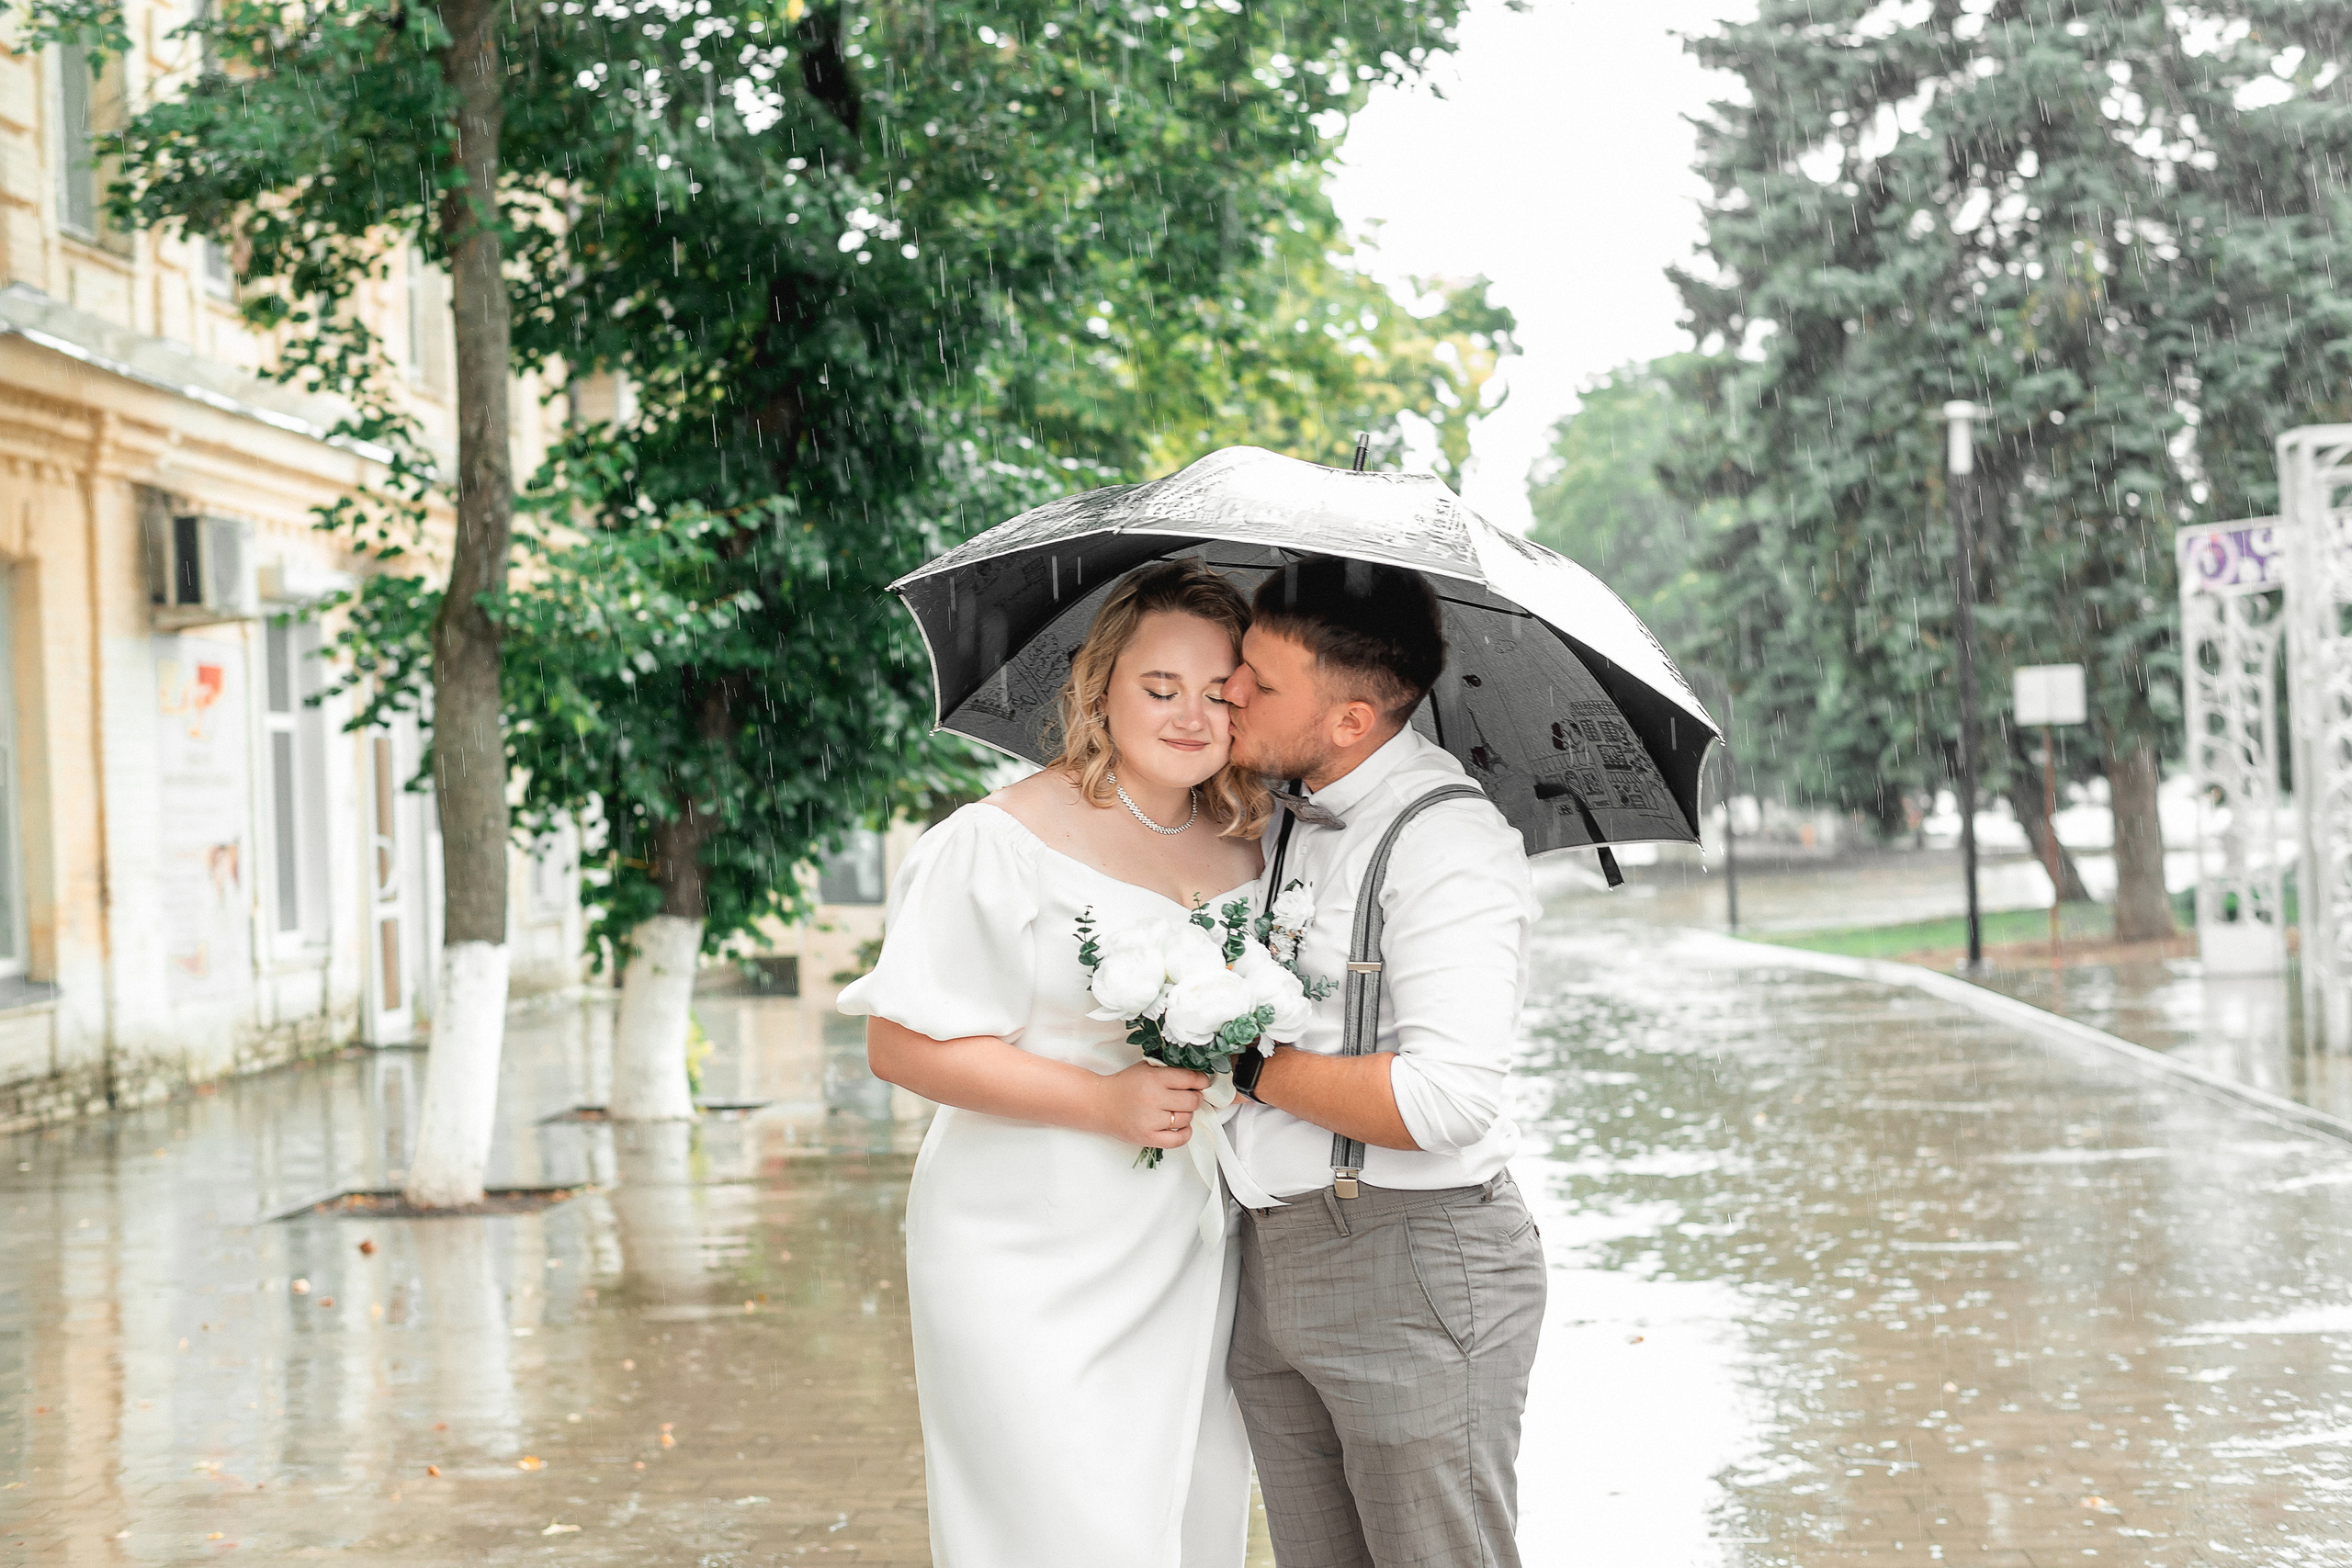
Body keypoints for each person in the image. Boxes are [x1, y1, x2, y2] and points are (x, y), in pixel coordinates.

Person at [839, 559, 1269, 1568]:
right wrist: (1099, 1102)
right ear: (1096, 684)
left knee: (1180, 1513)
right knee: (1062, 1526)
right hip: (1021, 1240)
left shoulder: (1256, 843)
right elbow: (898, 1043)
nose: (1189, 717)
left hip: (1191, 1236)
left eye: (1220, 693)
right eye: (1160, 689)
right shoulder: (997, 841)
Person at [1218, 555, 1547, 1568]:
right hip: (1274, 1265)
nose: (1230, 690)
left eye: (1259, 683)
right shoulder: (1285, 814)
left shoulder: (1447, 844)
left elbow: (1443, 1099)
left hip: (1411, 1262)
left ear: (1350, 721)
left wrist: (1247, 1066)